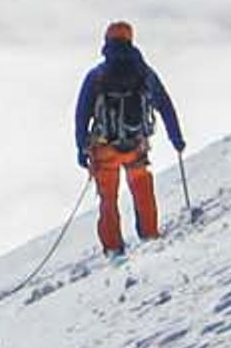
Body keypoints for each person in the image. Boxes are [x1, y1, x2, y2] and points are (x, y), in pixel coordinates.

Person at [71, 23, 186, 253]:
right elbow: (164, 104)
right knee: (142, 188)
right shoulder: (144, 73)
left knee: (108, 199)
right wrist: (176, 138)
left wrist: (82, 146)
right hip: (136, 145)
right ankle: (150, 234)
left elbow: (82, 113)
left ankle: (113, 248)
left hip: (105, 148)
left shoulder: (97, 75)